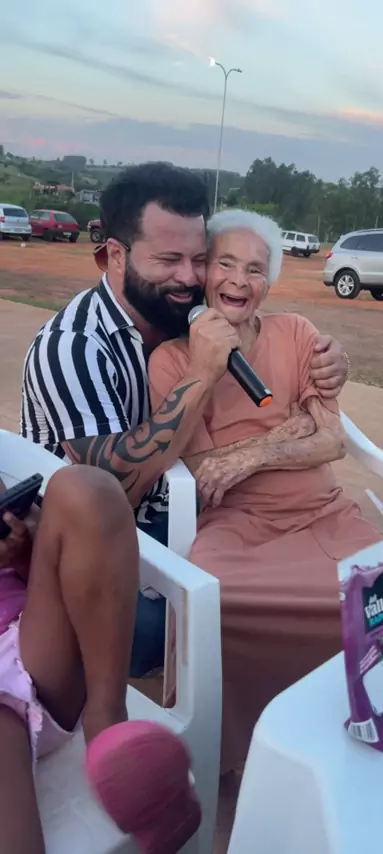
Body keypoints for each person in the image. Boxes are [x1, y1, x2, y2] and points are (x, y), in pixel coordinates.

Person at [20, 162, 350, 677]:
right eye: (169, 260)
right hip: (88, 537)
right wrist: (200, 374)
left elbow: (260, 316)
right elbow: (113, 492)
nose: (190, 277)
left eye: (199, 259)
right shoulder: (74, 348)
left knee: (265, 596)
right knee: (163, 632)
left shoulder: (176, 305)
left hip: (184, 509)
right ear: (115, 255)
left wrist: (333, 361)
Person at [148, 209, 383, 772]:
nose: (238, 281)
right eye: (225, 264)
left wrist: (256, 451)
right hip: (236, 525)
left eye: (254, 269)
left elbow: (331, 441)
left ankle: (356, 735)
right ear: (204, 273)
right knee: (214, 607)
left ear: (269, 283)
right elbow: (207, 473)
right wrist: (291, 429)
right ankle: (236, 757)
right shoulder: (173, 360)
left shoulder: (297, 333)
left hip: (323, 514)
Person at [0, 465, 200, 853]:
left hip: (29, 645)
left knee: (85, 490)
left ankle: (107, 724)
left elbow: (28, 545)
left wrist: (23, 551)